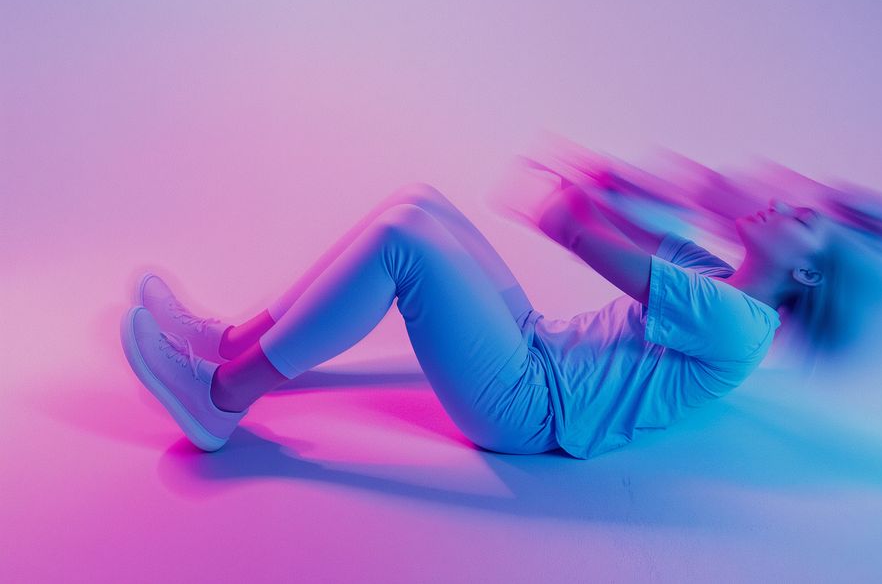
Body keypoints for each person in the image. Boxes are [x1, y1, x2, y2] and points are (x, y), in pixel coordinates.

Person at [120, 178, 842, 459]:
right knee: (420, 205)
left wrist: (570, 213)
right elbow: (620, 224)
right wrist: (620, 191)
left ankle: (220, 397)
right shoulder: (718, 280)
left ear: (805, 273)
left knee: (402, 242)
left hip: (529, 407)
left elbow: (584, 238)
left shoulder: (737, 323)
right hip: (538, 350)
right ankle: (231, 343)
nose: (786, 201)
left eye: (802, 218)